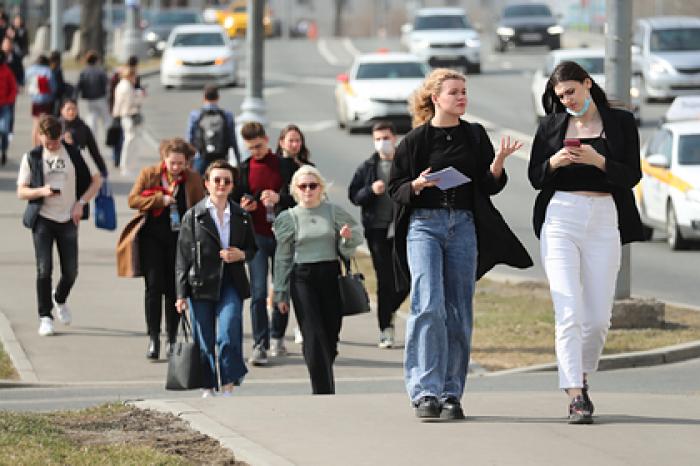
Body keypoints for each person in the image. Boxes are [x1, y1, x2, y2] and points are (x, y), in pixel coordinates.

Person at [388, 68, 532, 420]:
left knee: (458, 309)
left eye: (464, 92)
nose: (462, 98)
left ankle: (451, 393)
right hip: (424, 226)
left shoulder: (475, 135)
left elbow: (488, 185)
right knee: (428, 305)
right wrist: (418, 185)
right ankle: (425, 392)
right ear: (436, 98)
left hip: (463, 225)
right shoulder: (415, 141)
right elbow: (396, 189)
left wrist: (497, 164)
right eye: (454, 92)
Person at [528, 61, 644, 424]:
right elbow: (534, 176)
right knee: (569, 311)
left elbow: (633, 175)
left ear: (588, 84)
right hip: (561, 216)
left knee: (596, 320)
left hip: (604, 216)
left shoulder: (621, 123)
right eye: (561, 97)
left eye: (571, 93)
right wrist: (555, 162)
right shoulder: (550, 126)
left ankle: (581, 373)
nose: (567, 101)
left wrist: (599, 161)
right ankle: (575, 395)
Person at [273, 165, 362, 394]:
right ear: (295, 189)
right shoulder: (289, 217)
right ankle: (322, 390)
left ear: (321, 188)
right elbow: (282, 257)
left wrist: (345, 239)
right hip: (302, 277)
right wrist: (280, 291)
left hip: (330, 274)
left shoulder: (332, 212)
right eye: (303, 186)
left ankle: (324, 374)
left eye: (313, 185)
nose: (308, 190)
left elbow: (353, 239)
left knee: (331, 336)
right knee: (313, 333)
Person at [175, 159, 257, 397]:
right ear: (207, 184)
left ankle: (228, 385)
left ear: (232, 185)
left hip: (231, 281)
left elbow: (252, 250)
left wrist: (241, 254)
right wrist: (181, 294)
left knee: (228, 333)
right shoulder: (193, 216)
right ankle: (208, 385)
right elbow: (182, 258)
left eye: (227, 181)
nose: (221, 184)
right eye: (217, 180)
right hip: (200, 282)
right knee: (205, 338)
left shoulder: (241, 216)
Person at [16, 115, 102, 336]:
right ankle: (45, 316)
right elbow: (21, 191)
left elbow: (97, 179)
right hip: (43, 219)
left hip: (68, 219)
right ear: (40, 136)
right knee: (44, 269)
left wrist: (80, 203)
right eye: (47, 142)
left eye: (55, 142)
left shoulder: (75, 153)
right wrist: (41, 191)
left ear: (61, 136)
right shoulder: (32, 157)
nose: (52, 146)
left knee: (71, 271)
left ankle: (60, 298)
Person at [127, 138, 204, 359]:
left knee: (174, 291)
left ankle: (171, 338)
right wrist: (159, 200)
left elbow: (200, 207)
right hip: (152, 238)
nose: (177, 167)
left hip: (180, 240)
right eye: (173, 163)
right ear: (164, 158)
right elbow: (133, 199)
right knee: (153, 288)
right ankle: (153, 338)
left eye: (181, 163)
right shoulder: (149, 174)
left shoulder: (192, 179)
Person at [233, 122, 295, 366]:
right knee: (258, 292)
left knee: (282, 288)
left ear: (267, 140)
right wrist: (245, 206)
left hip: (282, 235)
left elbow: (299, 196)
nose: (255, 152)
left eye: (258, 146)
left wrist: (280, 198)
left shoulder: (283, 165)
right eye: (250, 148)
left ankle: (277, 334)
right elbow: (236, 200)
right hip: (256, 237)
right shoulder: (244, 168)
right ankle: (260, 344)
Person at [349, 121, 409, 349]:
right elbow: (354, 195)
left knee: (408, 278)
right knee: (384, 280)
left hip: (402, 228)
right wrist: (370, 191)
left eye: (385, 137)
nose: (382, 142)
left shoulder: (404, 164)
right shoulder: (367, 167)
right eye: (377, 139)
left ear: (394, 138)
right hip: (377, 230)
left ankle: (390, 309)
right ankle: (385, 328)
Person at [271, 123, 314, 353]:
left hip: (306, 230)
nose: (295, 144)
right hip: (284, 228)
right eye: (290, 140)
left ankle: (302, 327)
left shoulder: (308, 168)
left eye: (298, 140)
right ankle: (276, 335)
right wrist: (282, 198)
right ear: (281, 142)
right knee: (282, 282)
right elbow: (278, 196)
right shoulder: (276, 166)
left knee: (304, 282)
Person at [186, 84, 241, 174]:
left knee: (199, 183)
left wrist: (188, 160)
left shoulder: (195, 115)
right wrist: (238, 159)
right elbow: (232, 138)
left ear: (204, 97)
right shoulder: (227, 115)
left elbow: (189, 138)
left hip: (201, 156)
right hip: (221, 156)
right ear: (218, 97)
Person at [59, 98, 108, 177]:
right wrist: (61, 140)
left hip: (79, 166)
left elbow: (93, 150)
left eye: (74, 109)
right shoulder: (56, 126)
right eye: (68, 109)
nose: (71, 112)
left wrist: (102, 169)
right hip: (59, 167)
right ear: (62, 110)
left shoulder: (83, 127)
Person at [109, 56, 141, 169]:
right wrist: (139, 96)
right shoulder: (126, 87)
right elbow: (130, 103)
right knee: (129, 139)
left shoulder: (122, 85)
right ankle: (125, 163)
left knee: (126, 139)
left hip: (122, 115)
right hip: (127, 115)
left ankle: (124, 162)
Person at [76, 50, 110, 143]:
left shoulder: (84, 72)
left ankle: (92, 140)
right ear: (96, 60)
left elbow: (79, 85)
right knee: (106, 119)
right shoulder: (100, 71)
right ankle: (109, 138)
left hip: (89, 100)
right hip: (101, 98)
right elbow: (107, 84)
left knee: (91, 119)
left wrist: (75, 98)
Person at [25, 55, 56, 146]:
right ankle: (42, 145)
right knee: (44, 125)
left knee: (35, 124)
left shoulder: (29, 70)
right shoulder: (47, 71)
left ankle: (35, 145)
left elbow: (25, 82)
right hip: (45, 100)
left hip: (34, 100)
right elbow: (53, 87)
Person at [2, 37, 23, 143]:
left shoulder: (15, 57)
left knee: (10, 111)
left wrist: (20, 84)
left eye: (9, 44)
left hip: (11, 90)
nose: (7, 46)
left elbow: (20, 71)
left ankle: (9, 130)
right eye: (5, 44)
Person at [0, 50, 17, 165]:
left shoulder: (7, 71)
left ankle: (4, 151)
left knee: (4, 130)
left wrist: (9, 100)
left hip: (5, 106)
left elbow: (14, 88)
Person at [49, 50, 69, 117]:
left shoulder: (48, 67)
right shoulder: (58, 69)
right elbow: (60, 83)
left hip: (48, 93)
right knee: (56, 113)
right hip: (57, 94)